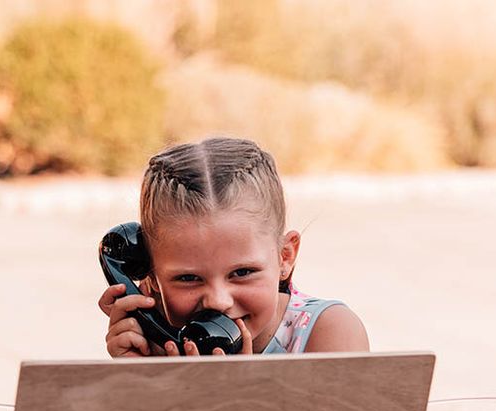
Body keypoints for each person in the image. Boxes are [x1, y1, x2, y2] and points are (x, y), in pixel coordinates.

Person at [98, 137, 369, 357]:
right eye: (188, 278)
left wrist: (236, 388)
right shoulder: (160, 348)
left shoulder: (331, 334)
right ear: (151, 278)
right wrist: (138, 378)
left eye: (242, 272)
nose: (218, 300)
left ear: (285, 256)